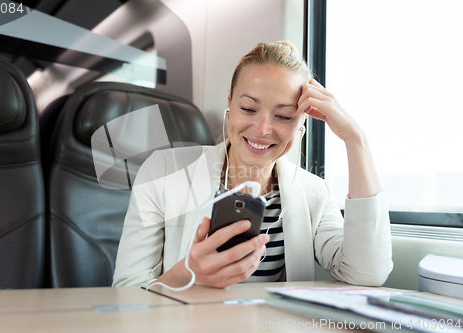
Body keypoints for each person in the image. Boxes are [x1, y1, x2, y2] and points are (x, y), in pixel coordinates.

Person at [112, 41, 393, 288]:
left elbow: (367, 273)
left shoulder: (316, 193)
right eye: (248, 109)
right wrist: (190, 275)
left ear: (301, 124)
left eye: (283, 116)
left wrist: (355, 139)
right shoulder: (162, 172)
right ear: (230, 106)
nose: (261, 128)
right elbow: (126, 292)